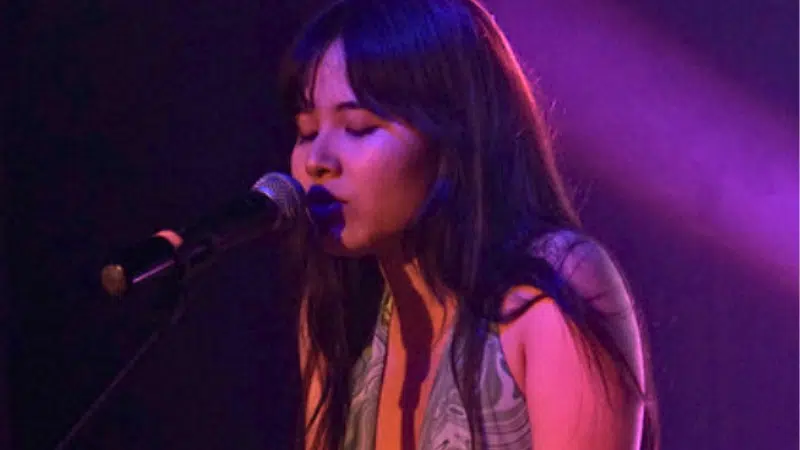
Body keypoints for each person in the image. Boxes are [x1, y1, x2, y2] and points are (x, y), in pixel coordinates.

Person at [277, 0, 658, 449]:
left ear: (453, 134)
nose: (318, 161)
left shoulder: (552, 285)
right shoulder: (340, 310)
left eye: (358, 127)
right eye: (306, 132)